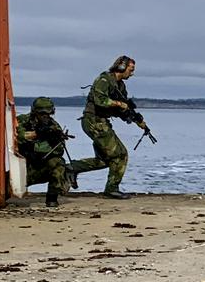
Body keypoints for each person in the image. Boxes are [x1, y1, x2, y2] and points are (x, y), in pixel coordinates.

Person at [74, 55, 149, 199]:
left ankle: (71, 168)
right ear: (121, 67)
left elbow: (122, 111)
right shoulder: (104, 80)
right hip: (94, 121)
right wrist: (119, 104)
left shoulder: (120, 86)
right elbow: (100, 100)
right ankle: (111, 189)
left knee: (106, 160)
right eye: (130, 69)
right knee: (120, 155)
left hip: (100, 122)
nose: (132, 73)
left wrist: (138, 121)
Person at [16, 97, 72, 207]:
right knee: (3, 189)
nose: (45, 116)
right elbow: (18, 137)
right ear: (35, 112)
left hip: (41, 167)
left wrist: (53, 138)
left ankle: (52, 198)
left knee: (58, 163)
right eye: (42, 114)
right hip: (22, 168)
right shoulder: (22, 121)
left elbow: (59, 150)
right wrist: (37, 134)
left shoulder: (53, 126)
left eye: (48, 113)